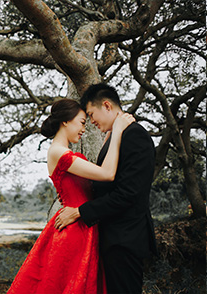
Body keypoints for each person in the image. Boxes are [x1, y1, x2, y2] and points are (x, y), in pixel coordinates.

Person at [7, 98, 135, 294]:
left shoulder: (65, 152)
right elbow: (107, 173)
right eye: (82, 122)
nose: (84, 129)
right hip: (73, 231)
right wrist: (116, 130)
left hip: (82, 225)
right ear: (65, 121)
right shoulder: (59, 152)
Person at [55, 83, 157, 294]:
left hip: (125, 239)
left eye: (92, 114)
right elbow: (104, 184)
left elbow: (128, 194)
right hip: (112, 237)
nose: (91, 122)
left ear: (107, 106)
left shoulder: (134, 135)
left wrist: (80, 211)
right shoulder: (114, 136)